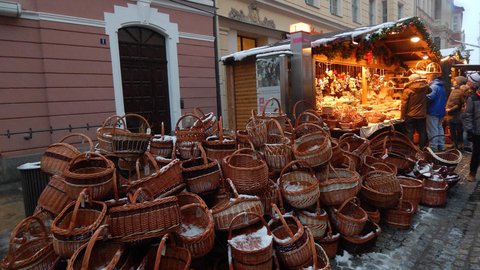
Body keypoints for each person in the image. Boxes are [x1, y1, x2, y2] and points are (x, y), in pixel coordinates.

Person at [401, 73, 429, 148]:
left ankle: (410, 148)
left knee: (410, 132)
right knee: (422, 132)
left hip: (411, 114)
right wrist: (424, 82)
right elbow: (430, 91)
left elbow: (404, 104)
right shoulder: (425, 87)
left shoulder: (408, 90)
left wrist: (402, 115)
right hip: (422, 114)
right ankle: (422, 148)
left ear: (411, 81)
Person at [464, 72, 480, 181]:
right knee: (476, 152)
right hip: (477, 130)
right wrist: (469, 130)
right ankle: (472, 173)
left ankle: (472, 174)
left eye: (469, 81)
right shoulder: (472, 98)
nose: (468, 83)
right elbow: (469, 115)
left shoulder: (473, 97)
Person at [426, 73, 447, 152]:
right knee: (439, 128)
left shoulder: (433, 86)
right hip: (440, 111)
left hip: (433, 111)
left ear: (431, 79)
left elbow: (430, 97)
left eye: (427, 79)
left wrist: (422, 98)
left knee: (433, 129)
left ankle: (433, 147)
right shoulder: (441, 87)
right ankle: (441, 145)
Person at [445, 76, 467, 149]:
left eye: (455, 81)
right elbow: (450, 101)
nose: (453, 82)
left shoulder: (461, 92)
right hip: (451, 115)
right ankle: (454, 144)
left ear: (458, 83)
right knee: (452, 130)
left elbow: (460, 104)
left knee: (459, 130)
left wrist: (450, 109)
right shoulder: (453, 90)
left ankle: (460, 144)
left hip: (457, 115)